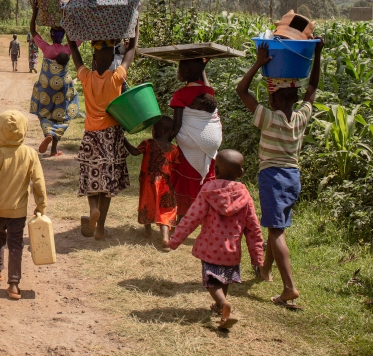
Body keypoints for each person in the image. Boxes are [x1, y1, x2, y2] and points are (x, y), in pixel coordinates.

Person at [236, 38, 323, 310]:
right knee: (279, 225)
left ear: (272, 98)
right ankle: (264, 269)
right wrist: (316, 55)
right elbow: (313, 88)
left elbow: (241, 90)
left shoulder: (268, 117)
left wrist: (258, 64)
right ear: (294, 99)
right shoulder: (300, 117)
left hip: (272, 176)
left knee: (275, 231)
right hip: (292, 177)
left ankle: (289, 288)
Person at [167, 150, 264, 330]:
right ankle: (221, 310)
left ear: (216, 170)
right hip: (232, 250)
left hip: (210, 248)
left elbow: (191, 218)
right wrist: (257, 258)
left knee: (212, 281)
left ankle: (222, 303)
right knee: (225, 279)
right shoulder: (244, 195)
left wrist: (175, 240)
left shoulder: (209, 190)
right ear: (241, 173)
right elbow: (253, 229)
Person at [68, 25, 138, 241]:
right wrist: (134, 29)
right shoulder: (116, 77)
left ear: (95, 59)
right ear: (111, 59)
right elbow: (130, 53)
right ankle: (100, 229)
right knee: (107, 183)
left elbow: (77, 58)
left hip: (91, 135)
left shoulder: (87, 77)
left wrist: (71, 35)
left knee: (91, 176)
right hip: (111, 136)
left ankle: (92, 209)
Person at [0, 110, 47, 300]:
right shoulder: (29, 154)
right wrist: (41, 205)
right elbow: (38, 182)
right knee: (15, 244)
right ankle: (14, 284)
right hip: (18, 211)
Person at [169, 58, 222, 221]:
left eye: (179, 69)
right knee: (205, 180)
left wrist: (164, 141)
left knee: (187, 180)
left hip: (189, 146)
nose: (177, 73)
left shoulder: (180, 94)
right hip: (210, 146)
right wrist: (203, 68)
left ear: (187, 73)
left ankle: (181, 219)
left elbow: (177, 124)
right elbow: (207, 87)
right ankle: (209, 219)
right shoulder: (209, 92)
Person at [123, 116, 178, 247]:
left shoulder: (148, 143)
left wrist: (123, 139)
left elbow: (134, 152)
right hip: (166, 182)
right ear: (171, 133)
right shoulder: (174, 149)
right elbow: (176, 168)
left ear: (155, 130)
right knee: (165, 208)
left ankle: (147, 231)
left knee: (147, 203)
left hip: (147, 180)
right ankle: (165, 237)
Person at [29, 26, 79, 157]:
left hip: (46, 86)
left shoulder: (46, 48)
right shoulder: (68, 48)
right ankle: (54, 149)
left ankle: (49, 133)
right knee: (63, 114)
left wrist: (34, 13)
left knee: (44, 112)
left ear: (51, 36)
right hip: (63, 87)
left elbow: (33, 32)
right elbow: (80, 38)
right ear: (63, 36)